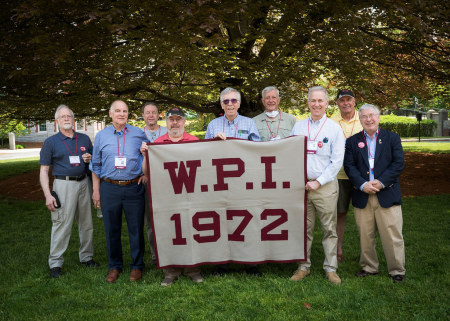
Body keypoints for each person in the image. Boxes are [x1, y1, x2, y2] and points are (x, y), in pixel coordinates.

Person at [344, 103, 406, 283]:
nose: (368, 119)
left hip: (387, 193)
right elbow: (349, 166)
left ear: (378, 117)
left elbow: (398, 164)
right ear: (360, 119)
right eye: (364, 116)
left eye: (372, 116)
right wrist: (363, 184)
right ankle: (369, 267)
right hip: (363, 194)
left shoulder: (392, 138)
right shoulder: (352, 141)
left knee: (392, 234)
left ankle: (396, 270)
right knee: (365, 234)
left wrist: (380, 182)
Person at [289, 86, 345, 284]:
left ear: (327, 103)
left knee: (329, 228)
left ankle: (331, 268)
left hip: (325, 186)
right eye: (313, 100)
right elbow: (292, 153)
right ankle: (303, 266)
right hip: (302, 186)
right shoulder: (298, 126)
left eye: (320, 101)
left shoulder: (334, 128)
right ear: (308, 103)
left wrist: (318, 182)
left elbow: (337, 161)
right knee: (304, 228)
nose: (316, 104)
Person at [91, 100, 148, 283]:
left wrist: (146, 173)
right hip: (109, 187)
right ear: (110, 113)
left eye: (124, 111)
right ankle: (114, 266)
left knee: (136, 229)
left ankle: (137, 266)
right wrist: (96, 191)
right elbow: (96, 165)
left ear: (128, 114)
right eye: (117, 111)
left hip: (133, 187)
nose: (121, 114)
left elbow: (150, 157)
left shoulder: (139, 134)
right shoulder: (101, 136)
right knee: (111, 229)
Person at [39, 104, 98, 278]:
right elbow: (43, 170)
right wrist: (48, 194)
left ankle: (87, 257)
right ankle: (55, 264)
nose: (66, 119)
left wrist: (90, 158)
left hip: (84, 183)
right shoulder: (51, 142)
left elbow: (94, 164)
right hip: (63, 185)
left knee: (86, 223)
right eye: (63, 117)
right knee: (61, 224)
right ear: (57, 121)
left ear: (73, 119)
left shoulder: (85, 139)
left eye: (69, 116)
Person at [152, 107, 204, 286]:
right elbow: (149, 171)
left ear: (184, 122)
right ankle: (171, 271)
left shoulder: (194, 141)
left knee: (191, 229)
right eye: (171, 119)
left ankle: (193, 269)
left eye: (178, 119)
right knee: (170, 231)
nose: (175, 123)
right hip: (167, 194)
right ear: (166, 122)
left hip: (190, 193)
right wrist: (146, 154)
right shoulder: (158, 143)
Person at [331, 89, 363, 262]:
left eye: (348, 99)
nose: (345, 103)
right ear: (337, 103)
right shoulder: (331, 122)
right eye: (342, 100)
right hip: (339, 175)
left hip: (361, 175)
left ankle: (366, 252)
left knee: (363, 214)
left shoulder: (364, 117)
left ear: (354, 101)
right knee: (340, 213)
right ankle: (338, 251)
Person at [140, 101, 167, 265]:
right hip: (146, 182)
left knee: (168, 218)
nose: (151, 115)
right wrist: (142, 174)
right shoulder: (136, 134)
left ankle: (169, 251)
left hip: (167, 182)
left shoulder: (167, 131)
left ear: (158, 115)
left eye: (154, 112)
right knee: (149, 221)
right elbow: (134, 158)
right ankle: (155, 255)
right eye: (147, 112)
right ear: (143, 115)